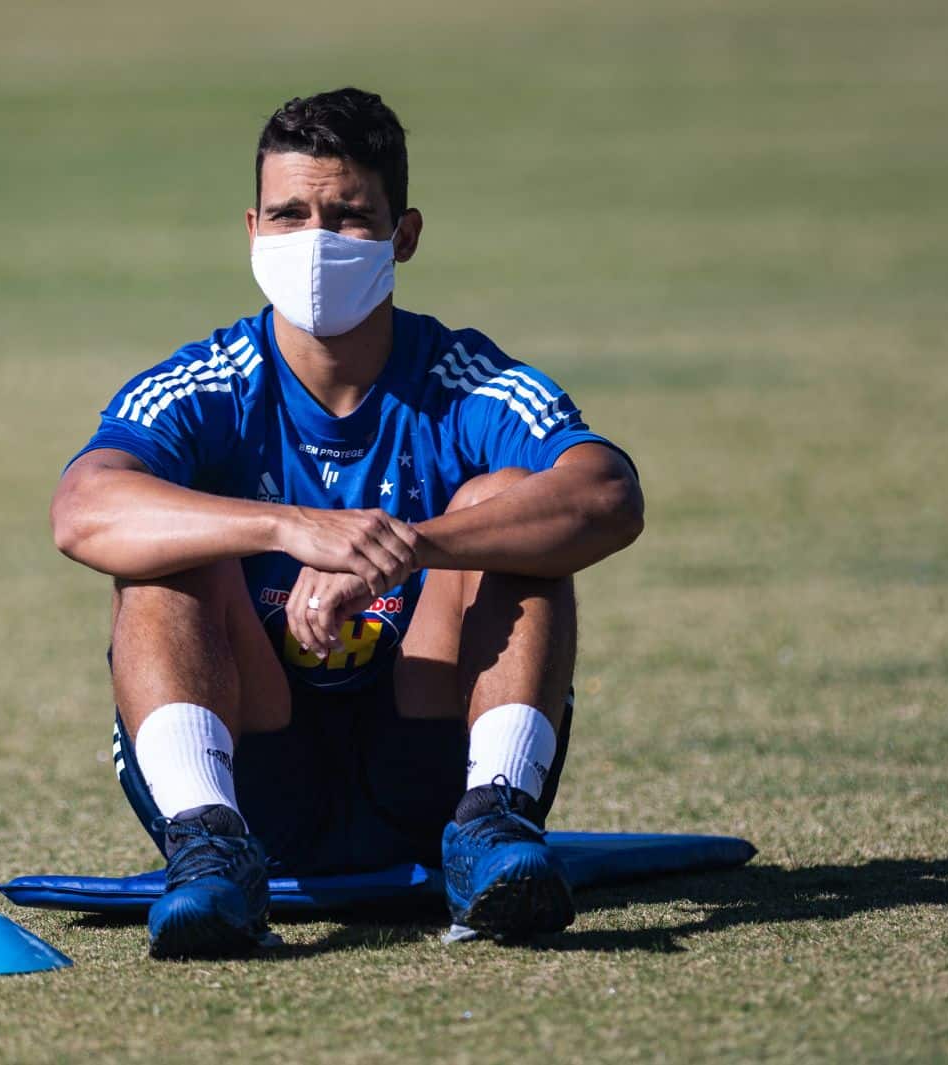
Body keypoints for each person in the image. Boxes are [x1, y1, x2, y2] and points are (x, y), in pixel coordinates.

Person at [50, 87, 643, 958]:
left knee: (501, 501)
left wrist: (408, 546)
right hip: (256, 773)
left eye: (348, 216)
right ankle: (208, 847)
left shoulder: (462, 377)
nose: (316, 242)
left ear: (404, 236)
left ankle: (494, 822)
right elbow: (81, 508)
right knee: (169, 545)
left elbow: (606, 494)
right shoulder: (204, 383)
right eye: (290, 215)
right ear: (252, 230)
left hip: (431, 763)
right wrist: (287, 527)